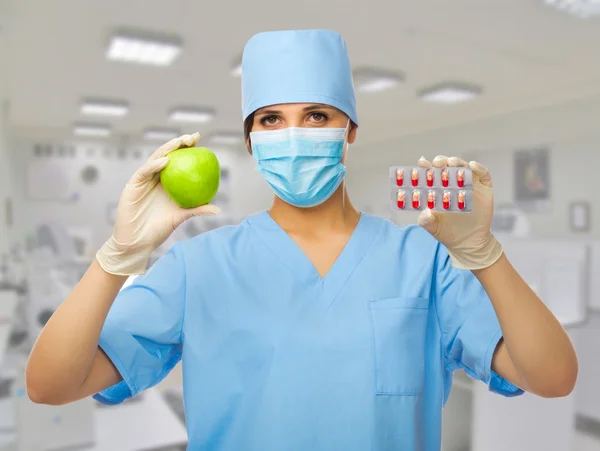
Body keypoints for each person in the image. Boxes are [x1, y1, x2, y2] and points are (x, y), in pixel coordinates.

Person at [25, 29, 577, 451]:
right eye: (270, 120)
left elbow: (552, 377)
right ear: (250, 138)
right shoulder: (200, 266)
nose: (293, 136)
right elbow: (51, 385)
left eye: (316, 115)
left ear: (350, 129)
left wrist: (484, 254)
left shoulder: (421, 261)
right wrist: (118, 257)